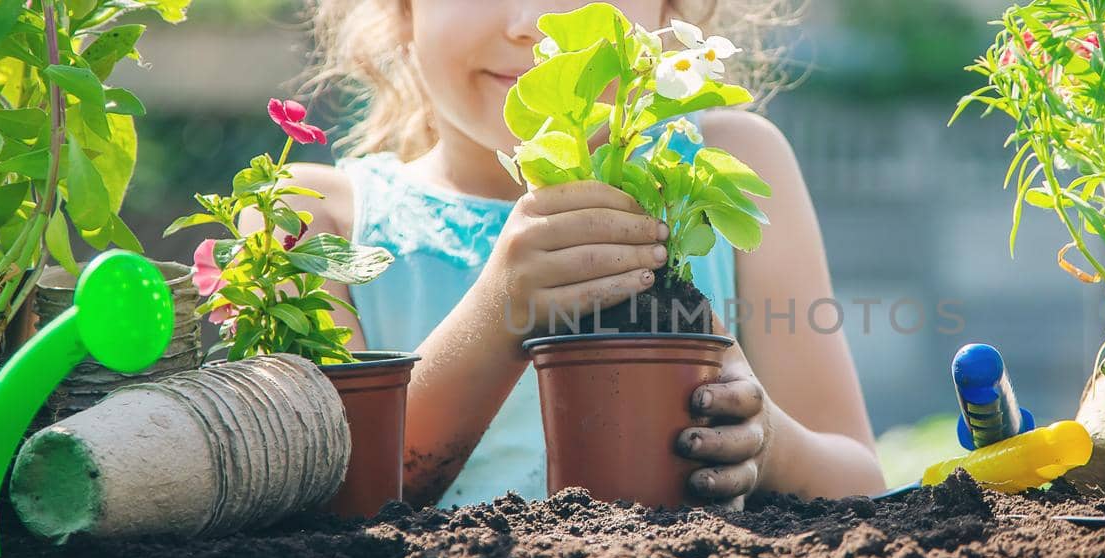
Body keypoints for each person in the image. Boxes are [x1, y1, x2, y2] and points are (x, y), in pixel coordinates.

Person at [273, 0, 883, 508]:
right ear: (401, 10)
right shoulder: (311, 217)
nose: (534, 23)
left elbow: (860, 482)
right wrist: (499, 311)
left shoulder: (735, 162)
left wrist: (769, 444)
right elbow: (328, 501)